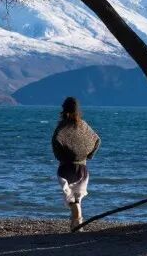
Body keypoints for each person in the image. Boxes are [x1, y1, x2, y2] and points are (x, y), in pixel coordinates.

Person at [51, 97, 100, 231]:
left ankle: (76, 220)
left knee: (71, 198)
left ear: (63, 110)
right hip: (82, 169)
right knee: (77, 197)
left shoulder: (62, 127)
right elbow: (97, 140)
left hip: (66, 168)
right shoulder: (83, 125)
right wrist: (89, 155)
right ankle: (76, 226)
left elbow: (56, 141)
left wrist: (61, 157)